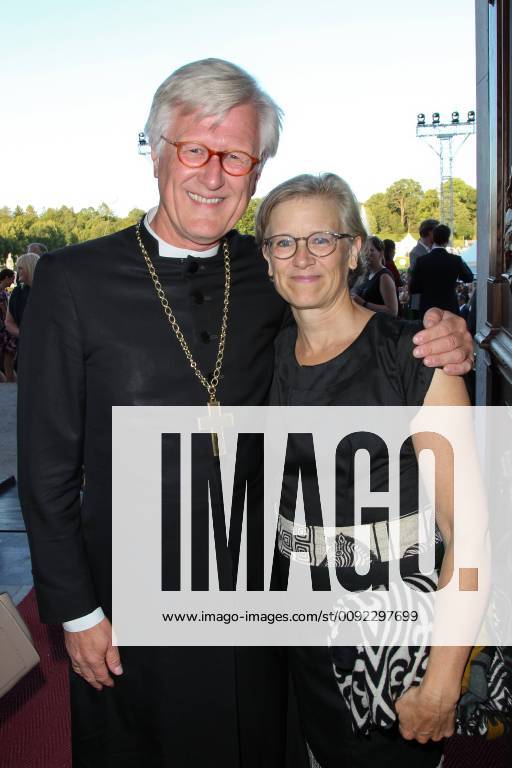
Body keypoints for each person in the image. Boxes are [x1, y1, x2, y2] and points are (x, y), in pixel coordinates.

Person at [17, 59, 473, 767]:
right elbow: (45, 469)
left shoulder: (271, 271)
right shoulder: (73, 281)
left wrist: (442, 336)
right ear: (155, 149)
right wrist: (78, 612)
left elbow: (353, 328)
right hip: (132, 603)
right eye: (194, 149)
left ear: (256, 174)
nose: (212, 173)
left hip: (266, 603)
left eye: (236, 156)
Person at [256, 173, 472, 768]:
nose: (302, 257)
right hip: (297, 644)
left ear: (355, 250)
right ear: (267, 258)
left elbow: (472, 536)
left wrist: (442, 684)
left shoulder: (415, 358)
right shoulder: (262, 360)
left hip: (392, 654)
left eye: (321, 239)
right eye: (283, 242)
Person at [409, 224, 474, 320]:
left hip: (428, 309)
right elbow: (469, 277)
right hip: (449, 308)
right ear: (447, 241)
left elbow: (414, 288)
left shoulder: (421, 261)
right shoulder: (455, 260)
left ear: (432, 239)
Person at [352, 236, 398, 315]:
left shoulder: (384, 276)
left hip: (378, 325)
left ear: (381, 253)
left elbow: (393, 311)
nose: (367, 253)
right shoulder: (366, 274)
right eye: (365, 250)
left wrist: (364, 303)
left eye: (371, 250)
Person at [5, 252, 40, 339]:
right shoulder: (17, 292)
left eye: (20, 268)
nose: (17, 271)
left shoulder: (49, 291)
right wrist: (23, 335)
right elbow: (9, 322)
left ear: (30, 268)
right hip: (24, 346)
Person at [408, 219, 439, 317]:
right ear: (430, 233)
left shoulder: (433, 250)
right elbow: (418, 278)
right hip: (421, 303)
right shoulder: (415, 253)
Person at [0, 268, 16, 382]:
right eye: (12, 279)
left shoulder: (3, 291)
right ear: (6, 277)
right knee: (8, 361)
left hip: (3, 328)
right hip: (3, 329)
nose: (12, 282)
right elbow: (5, 312)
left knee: (7, 361)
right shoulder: (1, 292)